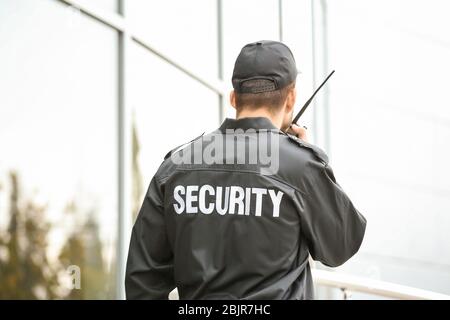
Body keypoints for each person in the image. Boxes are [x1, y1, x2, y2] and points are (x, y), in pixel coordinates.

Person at [125, 40, 367, 300]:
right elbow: (341, 245)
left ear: (233, 98)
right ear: (292, 97)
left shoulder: (175, 167)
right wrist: (310, 166)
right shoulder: (301, 167)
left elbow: (143, 282)